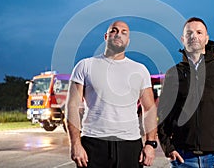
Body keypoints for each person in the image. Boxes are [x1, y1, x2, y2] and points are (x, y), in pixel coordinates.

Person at [157, 17, 214, 168]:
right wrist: (168, 148)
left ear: (206, 39)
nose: (194, 36)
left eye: (199, 32)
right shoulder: (173, 74)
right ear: (183, 39)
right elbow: (163, 113)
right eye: (189, 33)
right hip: (183, 160)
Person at [66, 20, 157, 168]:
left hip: (130, 146)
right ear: (106, 36)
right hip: (93, 144)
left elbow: (150, 109)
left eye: (124, 32)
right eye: (114, 30)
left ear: (128, 40)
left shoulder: (140, 70)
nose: (118, 34)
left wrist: (150, 144)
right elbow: (72, 107)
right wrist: (75, 144)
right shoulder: (85, 66)